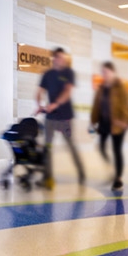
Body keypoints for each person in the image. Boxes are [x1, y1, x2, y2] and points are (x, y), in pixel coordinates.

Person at [36, 47, 85, 189]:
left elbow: (67, 91)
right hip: (50, 118)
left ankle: (81, 174)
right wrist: (39, 104)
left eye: (63, 58)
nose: (61, 60)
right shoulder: (47, 74)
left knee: (71, 147)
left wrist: (55, 104)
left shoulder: (69, 72)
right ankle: (48, 178)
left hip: (65, 118)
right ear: (54, 58)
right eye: (59, 57)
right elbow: (39, 92)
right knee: (48, 148)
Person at [90, 61, 128, 192]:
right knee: (102, 147)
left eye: (106, 72)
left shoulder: (120, 86)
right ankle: (111, 168)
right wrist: (93, 121)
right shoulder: (102, 88)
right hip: (104, 122)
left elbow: (127, 105)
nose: (104, 74)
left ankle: (118, 180)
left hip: (118, 124)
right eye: (103, 72)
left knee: (116, 150)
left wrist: (125, 121)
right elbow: (96, 106)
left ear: (113, 72)